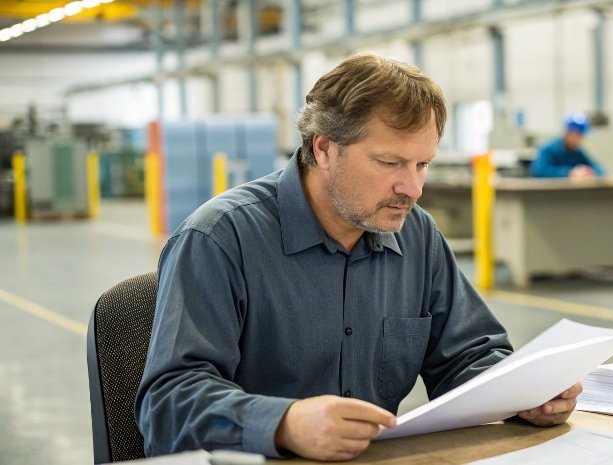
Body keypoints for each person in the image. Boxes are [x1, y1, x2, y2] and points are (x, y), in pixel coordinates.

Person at [135, 52, 582, 462]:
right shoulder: (220, 239)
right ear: (324, 149)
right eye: (390, 164)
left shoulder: (417, 235)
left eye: (422, 164)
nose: (413, 188)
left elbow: (468, 355)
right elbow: (168, 403)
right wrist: (284, 424)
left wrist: (525, 392)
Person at [530, 112, 605, 179]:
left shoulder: (577, 152)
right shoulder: (547, 149)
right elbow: (539, 172)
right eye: (578, 136)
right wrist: (569, 173)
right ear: (568, 133)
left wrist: (589, 172)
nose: (581, 140)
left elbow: (600, 170)